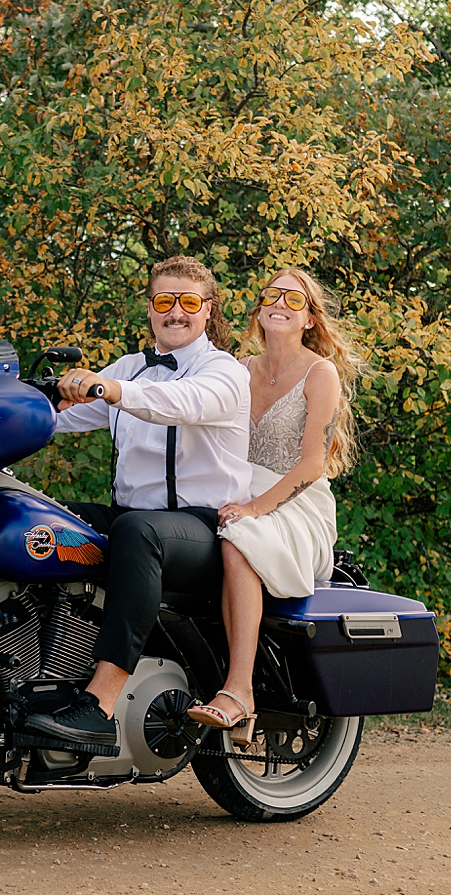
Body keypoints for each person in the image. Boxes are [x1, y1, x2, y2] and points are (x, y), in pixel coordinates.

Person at [19, 256, 252, 756]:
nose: (176, 313)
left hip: (202, 532)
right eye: (164, 301)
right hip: (133, 520)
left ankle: (99, 707)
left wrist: (108, 388)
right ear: (150, 309)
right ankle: (36, 674)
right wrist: (5, 406)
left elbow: (179, 402)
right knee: (30, 519)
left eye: (188, 302)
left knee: (137, 532)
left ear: (208, 311)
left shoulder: (225, 372)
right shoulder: (130, 367)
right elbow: (60, 417)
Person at [186, 267, 361, 744]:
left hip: (296, 502)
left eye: (294, 298)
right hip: (239, 490)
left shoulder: (319, 374)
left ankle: (240, 693)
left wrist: (256, 509)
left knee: (239, 540)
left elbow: (311, 466)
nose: (279, 302)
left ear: (309, 319)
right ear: (260, 309)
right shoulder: (240, 369)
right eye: (271, 294)